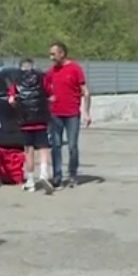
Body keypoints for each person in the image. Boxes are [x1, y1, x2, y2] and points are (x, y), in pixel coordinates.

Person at [45, 41, 91, 188]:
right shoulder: (51, 72)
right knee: (56, 145)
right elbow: (44, 89)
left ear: (62, 53)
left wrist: (86, 112)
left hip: (72, 114)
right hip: (55, 114)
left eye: (53, 54)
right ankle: (57, 176)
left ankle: (72, 174)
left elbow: (86, 91)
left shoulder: (75, 69)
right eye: (50, 54)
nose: (51, 57)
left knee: (72, 146)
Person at [8, 58, 54, 194]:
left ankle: (30, 182)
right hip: (41, 119)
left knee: (29, 151)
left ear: (20, 67)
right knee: (44, 148)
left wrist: (17, 107)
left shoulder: (15, 80)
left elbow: (11, 100)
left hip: (25, 121)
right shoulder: (42, 77)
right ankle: (44, 174)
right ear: (33, 66)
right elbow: (51, 96)